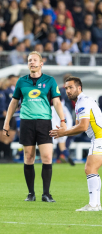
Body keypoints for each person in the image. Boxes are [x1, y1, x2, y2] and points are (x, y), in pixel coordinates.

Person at [3, 51, 65, 202]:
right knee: (29, 157)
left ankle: (46, 193)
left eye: (34, 60)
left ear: (41, 63)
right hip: (27, 122)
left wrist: (63, 120)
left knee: (47, 157)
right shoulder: (21, 81)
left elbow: (56, 102)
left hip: (44, 122)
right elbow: (13, 103)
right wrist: (6, 122)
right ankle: (31, 193)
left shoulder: (49, 81)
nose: (32, 62)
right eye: (29, 60)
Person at [50, 76, 102, 211]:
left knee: (90, 169)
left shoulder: (83, 102)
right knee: (91, 169)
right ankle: (95, 204)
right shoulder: (81, 102)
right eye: (66, 88)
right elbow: (79, 127)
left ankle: (94, 205)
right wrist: (65, 132)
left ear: (79, 88)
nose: (68, 91)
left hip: (99, 138)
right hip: (97, 138)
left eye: (71, 87)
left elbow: (83, 127)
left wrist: (63, 132)